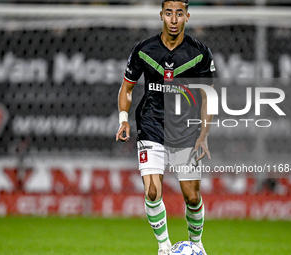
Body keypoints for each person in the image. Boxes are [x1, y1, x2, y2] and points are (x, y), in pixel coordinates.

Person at [116, 1, 215, 254]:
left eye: (179, 14)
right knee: (152, 191)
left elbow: (207, 97)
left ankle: (196, 245)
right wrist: (123, 118)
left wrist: (204, 134)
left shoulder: (199, 53)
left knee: (192, 196)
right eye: (169, 13)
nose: (173, 19)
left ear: (187, 17)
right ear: (161, 15)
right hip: (151, 124)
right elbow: (127, 88)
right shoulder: (144, 50)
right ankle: (164, 248)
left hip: (185, 129)